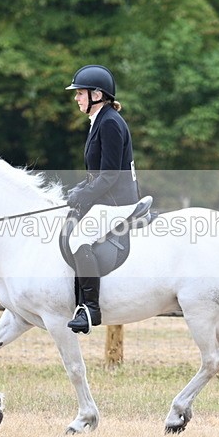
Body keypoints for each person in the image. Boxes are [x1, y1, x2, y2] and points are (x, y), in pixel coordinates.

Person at [64, 64, 140, 334]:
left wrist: (84, 194)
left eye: (80, 93)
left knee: (78, 237)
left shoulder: (109, 123)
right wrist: (78, 190)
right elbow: (97, 173)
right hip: (108, 198)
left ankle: (90, 309)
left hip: (117, 202)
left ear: (97, 94)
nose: (76, 98)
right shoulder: (101, 120)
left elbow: (108, 176)